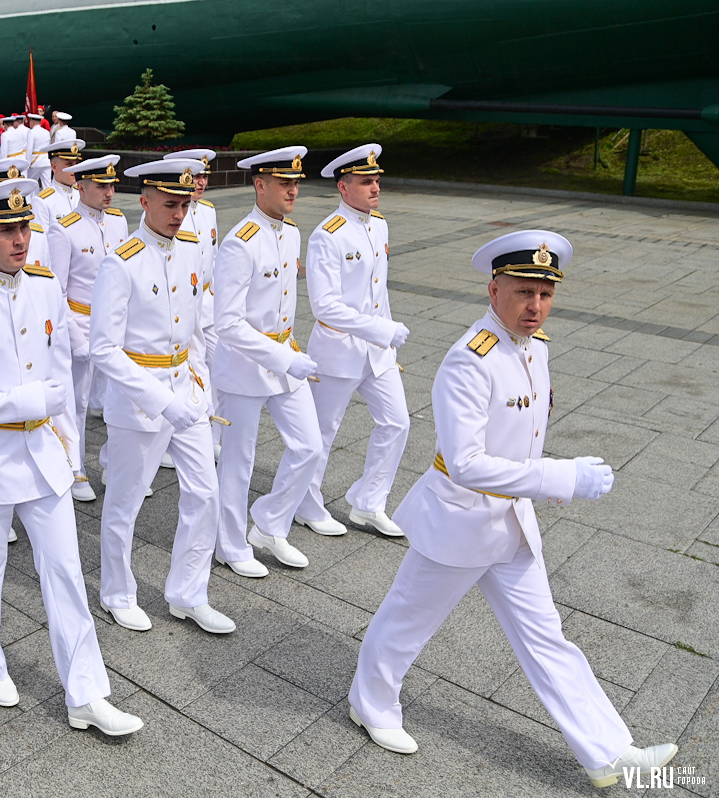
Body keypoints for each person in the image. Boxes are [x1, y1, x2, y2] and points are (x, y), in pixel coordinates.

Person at [347, 229, 679, 788]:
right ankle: (371, 705)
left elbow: (521, 436)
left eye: (545, 294)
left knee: (547, 637)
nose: (536, 306)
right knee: (406, 622)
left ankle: (608, 752)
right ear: (493, 289)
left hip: (511, 524)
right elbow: (467, 461)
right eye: (524, 291)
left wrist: (539, 483)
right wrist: (559, 476)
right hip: (460, 519)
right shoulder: (468, 360)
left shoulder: (536, 345)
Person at [0, 177, 143, 736]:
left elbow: (58, 376)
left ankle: (87, 693)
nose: (21, 238)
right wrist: (19, 401)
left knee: (66, 571)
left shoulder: (44, 287)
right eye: (6, 229)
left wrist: (68, 443)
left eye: (25, 227)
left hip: (43, 454)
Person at [89, 159, 236, 635]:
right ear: (145, 201)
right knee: (125, 503)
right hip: (139, 401)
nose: (179, 214)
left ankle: (188, 593)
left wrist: (202, 387)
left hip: (186, 394)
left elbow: (197, 327)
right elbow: (104, 350)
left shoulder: (192, 249)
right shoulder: (122, 261)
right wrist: (159, 398)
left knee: (205, 493)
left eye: (185, 204)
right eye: (170, 204)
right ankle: (117, 591)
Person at [211, 147, 327, 579]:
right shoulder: (240, 243)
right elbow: (227, 322)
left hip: (285, 357)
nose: (293, 190)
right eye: (285, 183)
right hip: (245, 365)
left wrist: (288, 353)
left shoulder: (290, 232)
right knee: (238, 460)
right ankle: (229, 543)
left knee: (309, 446)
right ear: (260, 185)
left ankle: (270, 524)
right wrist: (281, 356)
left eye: (296, 182)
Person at [296, 144, 410, 537]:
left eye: (377, 180)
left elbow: (380, 292)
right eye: (366, 182)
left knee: (397, 423)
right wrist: (382, 331)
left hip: (378, 352)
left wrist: (388, 338)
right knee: (322, 432)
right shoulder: (327, 236)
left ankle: (368, 503)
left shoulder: (379, 224)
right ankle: (306, 505)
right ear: (344, 188)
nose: (375, 187)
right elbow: (325, 307)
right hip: (338, 350)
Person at [45, 154, 126, 503]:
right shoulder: (64, 229)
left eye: (111, 185)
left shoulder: (119, 222)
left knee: (117, 398)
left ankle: (112, 461)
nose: (108, 192)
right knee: (76, 402)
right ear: (81, 185)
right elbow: (57, 291)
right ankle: (74, 466)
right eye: (100, 185)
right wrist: (76, 339)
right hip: (79, 322)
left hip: (114, 323)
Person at [166, 149, 220, 461]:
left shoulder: (208, 211)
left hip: (208, 304)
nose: (200, 183)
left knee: (212, 366)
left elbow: (214, 257)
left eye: (203, 176)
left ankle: (209, 428)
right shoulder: (175, 213)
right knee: (180, 369)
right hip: (179, 304)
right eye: (195, 176)